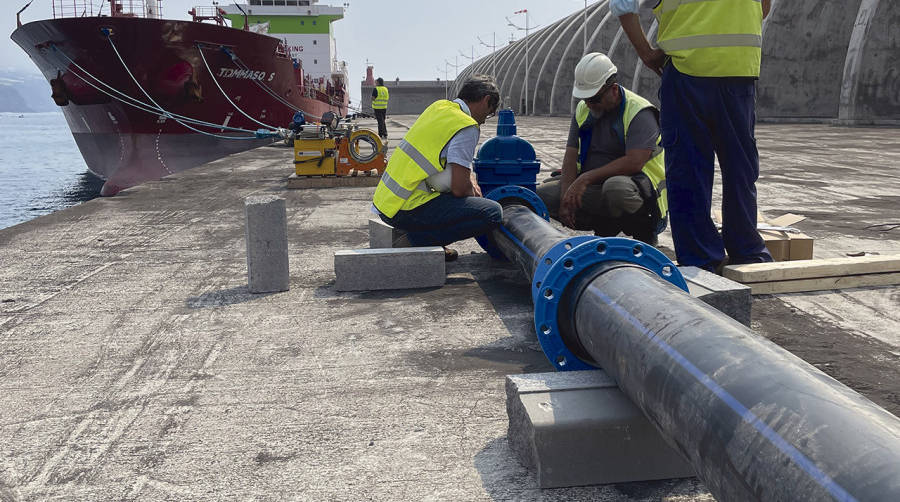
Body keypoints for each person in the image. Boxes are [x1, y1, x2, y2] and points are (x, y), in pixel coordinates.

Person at [613, 0, 773, 272]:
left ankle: (701, 259)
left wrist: (647, 53)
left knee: (690, 172)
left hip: (689, 72)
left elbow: (622, 4)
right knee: (740, 170)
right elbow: (763, 7)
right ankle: (746, 252)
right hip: (737, 70)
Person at [537, 52, 667, 246]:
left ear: (613, 90)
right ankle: (605, 229)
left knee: (616, 189)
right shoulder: (584, 109)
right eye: (585, 99)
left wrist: (585, 178)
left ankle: (644, 235)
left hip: (639, 191)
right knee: (544, 195)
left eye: (594, 99)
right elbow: (570, 155)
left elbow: (635, 161)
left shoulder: (639, 112)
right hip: (597, 187)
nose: (589, 104)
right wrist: (566, 197)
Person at [372, 75, 502, 262]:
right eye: (489, 113)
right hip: (407, 210)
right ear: (486, 100)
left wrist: (468, 177)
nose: (484, 120)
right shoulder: (467, 125)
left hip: (387, 203)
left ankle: (422, 237)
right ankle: (416, 241)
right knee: (491, 213)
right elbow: (459, 189)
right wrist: (476, 197)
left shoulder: (439, 107)